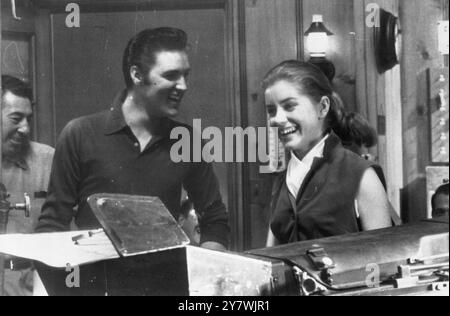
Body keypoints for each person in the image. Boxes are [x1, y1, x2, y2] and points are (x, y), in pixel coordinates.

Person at [35, 27, 229, 251]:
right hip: (96, 281)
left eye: (186, 75)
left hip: (163, 281)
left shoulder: (188, 141)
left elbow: (215, 219)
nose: (183, 86)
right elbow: (52, 225)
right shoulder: (79, 134)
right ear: (137, 75)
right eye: (171, 75)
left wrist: (206, 276)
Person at [263, 61, 392, 246]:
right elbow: (270, 258)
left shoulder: (362, 175)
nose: (278, 118)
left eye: (289, 106)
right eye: (271, 110)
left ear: (322, 107)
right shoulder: (281, 182)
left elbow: (383, 258)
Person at [1, 75, 55, 296]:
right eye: (16, 118)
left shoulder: (47, 159)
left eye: (28, 119)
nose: (25, 128)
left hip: (34, 285)